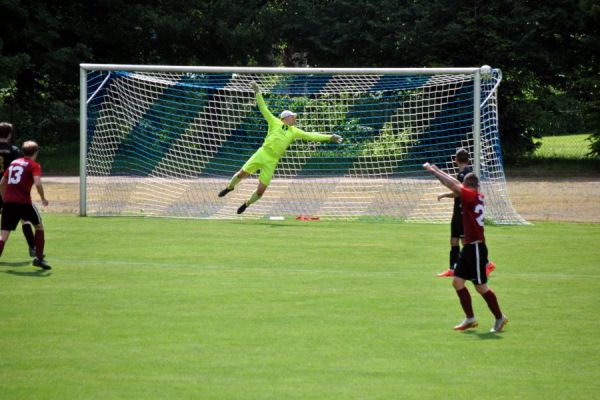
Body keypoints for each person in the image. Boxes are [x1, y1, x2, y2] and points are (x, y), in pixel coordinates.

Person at [218, 81, 343, 214]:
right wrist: (258, 92)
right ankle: (229, 187)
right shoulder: (274, 121)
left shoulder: (294, 131)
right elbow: (263, 108)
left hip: (272, 160)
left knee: (261, 191)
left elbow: (311, 135)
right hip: (262, 153)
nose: (295, 118)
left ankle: (246, 204)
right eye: (293, 116)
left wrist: (329, 137)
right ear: (286, 117)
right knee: (241, 173)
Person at [423, 162, 508, 333]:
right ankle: (470, 318)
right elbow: (454, 182)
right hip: (468, 248)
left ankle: (500, 318)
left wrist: (432, 171)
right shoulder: (475, 195)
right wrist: (437, 170)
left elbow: (452, 184)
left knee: (480, 287)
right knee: (457, 282)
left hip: (476, 249)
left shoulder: (469, 195)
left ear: (467, 187)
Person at [436, 148, 495, 278]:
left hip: (463, 213)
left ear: (455, 160)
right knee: (454, 240)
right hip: (458, 212)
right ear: (468, 159)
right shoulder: (465, 174)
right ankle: (453, 268)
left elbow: (458, 192)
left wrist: (444, 193)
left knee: (464, 241)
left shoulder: (466, 176)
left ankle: (485, 263)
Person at [0, 140, 51, 270]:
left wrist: (4, 199)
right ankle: (38, 258)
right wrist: (43, 198)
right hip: (24, 203)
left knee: (4, 235)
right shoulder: (34, 165)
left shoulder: (13, 163)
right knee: (39, 226)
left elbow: (2, 183)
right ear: (36, 152)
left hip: (9, 203)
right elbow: (38, 183)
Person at [0, 122, 37, 257]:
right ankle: (33, 247)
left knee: (4, 228)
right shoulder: (14, 150)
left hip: (2, 187)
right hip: (10, 190)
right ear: (9, 134)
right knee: (24, 219)